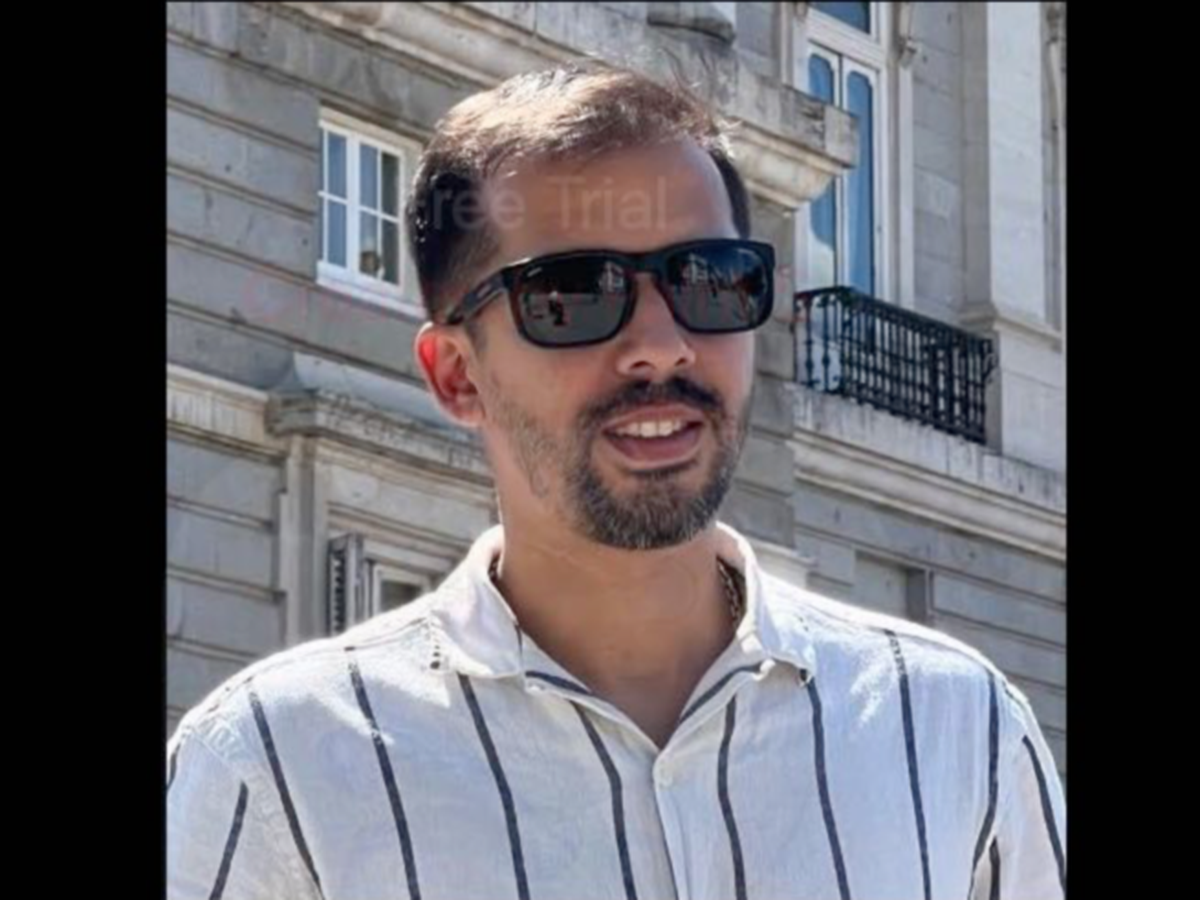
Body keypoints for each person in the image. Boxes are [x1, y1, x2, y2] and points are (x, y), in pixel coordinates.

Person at [168, 64, 1065, 900]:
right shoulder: (275, 770)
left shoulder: (955, 733)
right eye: (573, 296)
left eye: (710, 281)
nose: (662, 346)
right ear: (457, 375)